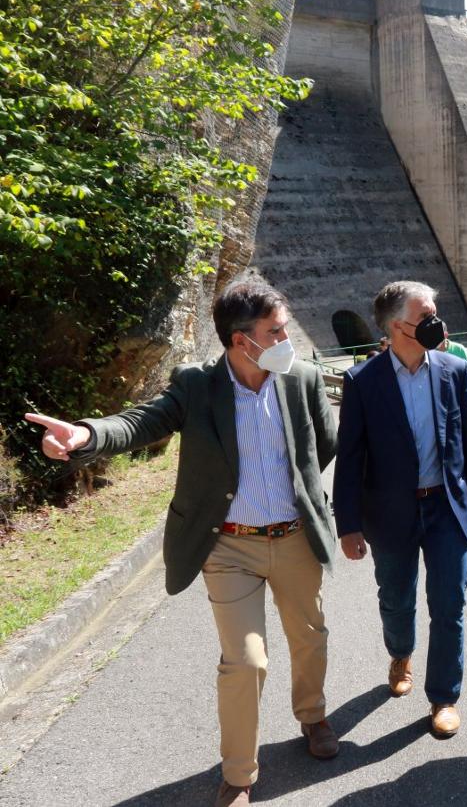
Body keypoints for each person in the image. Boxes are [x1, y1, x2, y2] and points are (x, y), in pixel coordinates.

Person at [24, 282, 340, 807]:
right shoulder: (196, 387)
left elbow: (322, 446)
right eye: (276, 331)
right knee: (245, 661)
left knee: (310, 637)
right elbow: (142, 421)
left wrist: (299, 500)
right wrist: (84, 435)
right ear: (243, 341)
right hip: (229, 548)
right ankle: (239, 774)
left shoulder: (301, 378)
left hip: (293, 539)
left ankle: (313, 716)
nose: (287, 338)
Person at [334, 281, 467, 739]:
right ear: (396, 326)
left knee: (450, 604)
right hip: (390, 512)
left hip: (447, 507)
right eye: (426, 316)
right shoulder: (363, 381)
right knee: (396, 599)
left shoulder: (452, 371)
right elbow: (351, 457)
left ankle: (444, 696)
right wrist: (349, 524)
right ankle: (400, 653)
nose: (436, 323)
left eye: (435, 313)